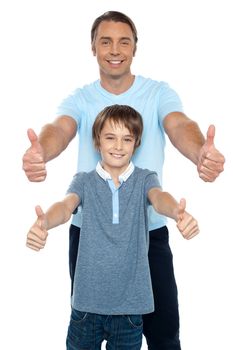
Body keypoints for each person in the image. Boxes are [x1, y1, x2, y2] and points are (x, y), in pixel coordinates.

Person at [22, 11, 225, 350]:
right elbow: (59, 128)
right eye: (105, 41)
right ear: (93, 48)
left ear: (135, 48)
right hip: (90, 237)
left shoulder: (157, 93)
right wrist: (41, 151)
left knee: (163, 333)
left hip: (147, 234)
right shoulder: (80, 99)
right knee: (89, 322)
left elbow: (179, 126)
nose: (114, 49)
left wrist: (199, 153)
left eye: (123, 41)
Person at [26, 105, 199, 350]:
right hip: (86, 309)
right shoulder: (83, 181)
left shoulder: (145, 179)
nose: (118, 146)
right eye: (110, 137)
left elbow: (159, 198)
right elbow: (65, 207)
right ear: (97, 140)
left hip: (130, 311)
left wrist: (177, 213)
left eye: (126, 139)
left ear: (136, 143)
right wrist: (45, 222)